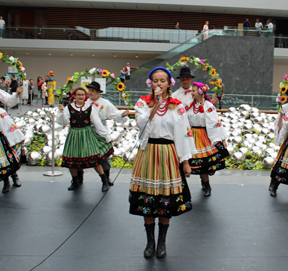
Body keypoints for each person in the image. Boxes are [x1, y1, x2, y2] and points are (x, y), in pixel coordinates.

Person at [131, 67, 196, 258]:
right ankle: (150, 241)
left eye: (163, 80)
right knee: (147, 199)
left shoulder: (178, 106)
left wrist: (185, 161)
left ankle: (162, 242)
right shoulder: (143, 103)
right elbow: (141, 123)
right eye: (155, 80)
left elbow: (184, 134)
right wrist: (155, 105)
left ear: (169, 83)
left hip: (168, 154)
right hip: (148, 153)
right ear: (150, 83)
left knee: (165, 200)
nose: (159, 84)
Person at [57, 87, 114, 192]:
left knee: (95, 160)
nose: (81, 97)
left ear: (85, 96)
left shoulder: (89, 108)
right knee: (72, 160)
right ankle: (75, 181)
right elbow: (64, 122)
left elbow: (97, 123)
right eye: (78, 95)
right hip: (74, 135)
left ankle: (104, 181)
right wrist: (61, 111)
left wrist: (107, 136)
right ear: (74, 96)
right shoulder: (68, 108)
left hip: (87, 135)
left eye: (82, 95)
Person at [77, 81, 129, 186]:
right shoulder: (85, 102)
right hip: (85, 131)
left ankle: (106, 177)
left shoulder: (105, 103)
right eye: (89, 91)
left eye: (92, 91)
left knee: (103, 154)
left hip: (100, 132)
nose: (90, 93)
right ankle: (78, 177)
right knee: (80, 153)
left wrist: (122, 115)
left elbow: (115, 113)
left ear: (98, 92)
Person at [186, 82, 229, 196]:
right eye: (191, 90)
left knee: (203, 163)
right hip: (190, 136)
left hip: (203, 135)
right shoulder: (188, 104)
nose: (192, 92)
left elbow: (215, 122)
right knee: (185, 162)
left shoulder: (208, 106)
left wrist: (222, 139)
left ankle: (206, 184)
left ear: (200, 92)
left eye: (194, 90)